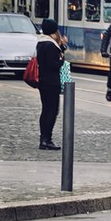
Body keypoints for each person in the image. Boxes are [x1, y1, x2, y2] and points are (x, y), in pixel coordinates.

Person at [36, 19, 67, 150]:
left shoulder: (42, 42)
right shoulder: (50, 45)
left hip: (44, 81)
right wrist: (62, 61)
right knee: (51, 111)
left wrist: (62, 47)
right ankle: (46, 139)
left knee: (47, 110)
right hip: (51, 82)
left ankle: (44, 138)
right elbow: (52, 64)